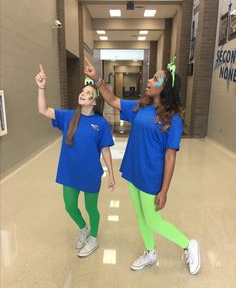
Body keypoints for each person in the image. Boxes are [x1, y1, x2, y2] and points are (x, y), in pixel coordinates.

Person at [84, 57, 201, 274]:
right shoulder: (140, 107)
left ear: (165, 88)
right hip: (134, 171)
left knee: (154, 220)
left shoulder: (173, 119)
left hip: (151, 176)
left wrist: (164, 190)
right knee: (140, 216)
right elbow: (113, 100)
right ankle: (150, 251)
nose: (149, 80)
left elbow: (170, 157)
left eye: (155, 78)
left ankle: (188, 244)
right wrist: (97, 79)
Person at [35, 64, 115, 257]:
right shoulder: (68, 116)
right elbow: (43, 110)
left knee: (90, 207)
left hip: (90, 173)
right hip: (69, 172)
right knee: (70, 206)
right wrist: (41, 88)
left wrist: (111, 174)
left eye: (88, 93)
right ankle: (84, 229)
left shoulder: (100, 123)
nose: (83, 93)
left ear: (94, 102)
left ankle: (93, 238)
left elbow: (105, 149)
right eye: (82, 91)